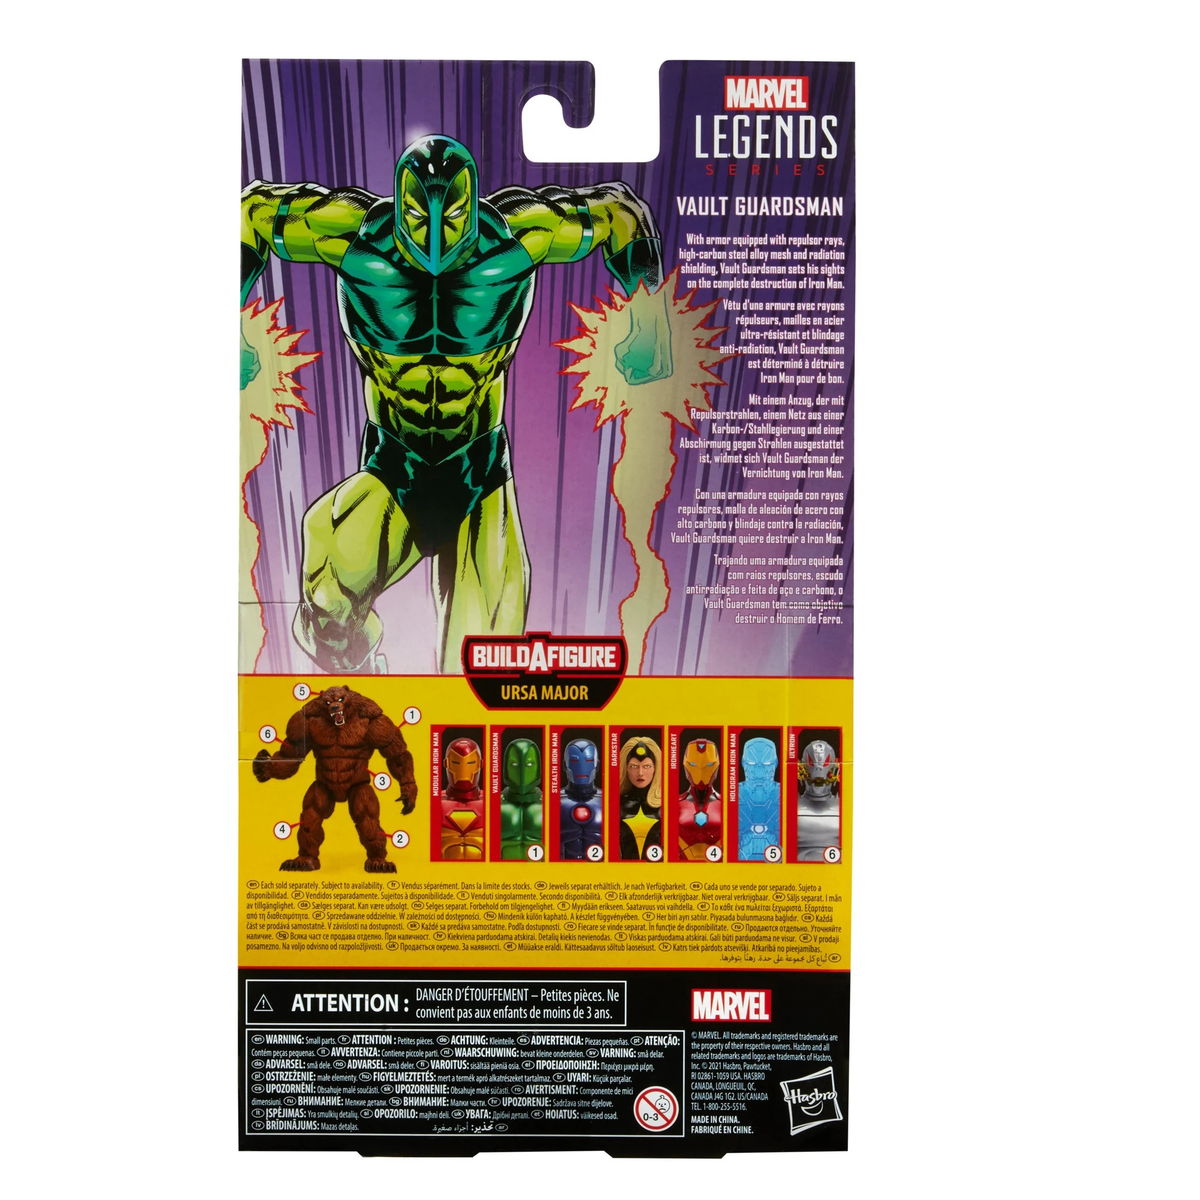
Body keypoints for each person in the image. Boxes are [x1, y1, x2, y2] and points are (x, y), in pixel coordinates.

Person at [241, 134, 673, 672]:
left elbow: (619, 212)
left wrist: (650, 324)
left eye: (450, 218)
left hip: (478, 474)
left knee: (481, 667)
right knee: (326, 611)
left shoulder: (517, 238)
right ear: (400, 202)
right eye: (419, 217)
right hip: (395, 467)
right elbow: (252, 211)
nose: (436, 237)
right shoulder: (352, 237)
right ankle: (369, 682)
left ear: (470, 206)